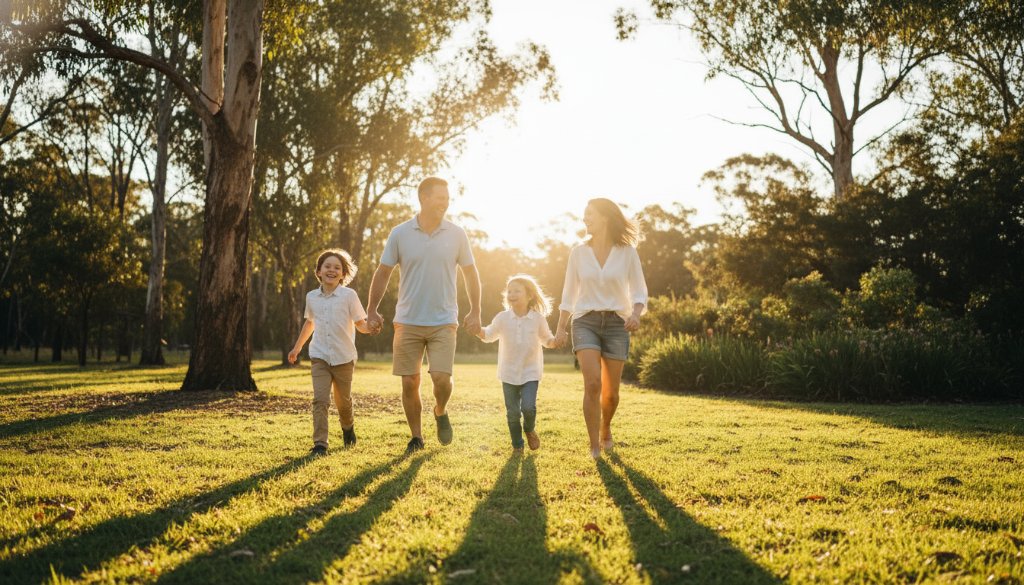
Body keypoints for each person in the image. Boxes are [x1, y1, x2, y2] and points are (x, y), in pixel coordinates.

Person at [366, 177, 482, 455]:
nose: (445, 202)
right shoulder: (400, 233)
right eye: (440, 197)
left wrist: (475, 310)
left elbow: (471, 273)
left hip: (444, 321)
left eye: (447, 197)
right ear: (424, 198)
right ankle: (416, 437)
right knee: (410, 381)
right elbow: (383, 272)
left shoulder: (457, 234)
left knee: (441, 379)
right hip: (407, 320)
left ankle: (440, 411)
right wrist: (371, 309)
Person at [554, 198, 648, 459]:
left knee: (612, 394)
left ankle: (606, 428)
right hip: (585, 321)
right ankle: (594, 444)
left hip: (618, 324)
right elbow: (569, 294)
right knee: (593, 382)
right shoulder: (578, 252)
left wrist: (636, 315)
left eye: (590, 214)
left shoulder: (627, 252)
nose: (585, 219)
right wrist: (561, 328)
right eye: (584, 214)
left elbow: (639, 290)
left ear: (605, 217)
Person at [288, 249, 371, 456]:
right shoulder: (312, 297)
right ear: (319, 271)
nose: (332, 270)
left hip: (344, 357)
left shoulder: (349, 296)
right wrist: (297, 348)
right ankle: (320, 444)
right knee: (320, 400)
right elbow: (310, 323)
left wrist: (371, 328)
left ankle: (348, 428)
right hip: (319, 356)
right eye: (327, 266)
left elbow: (360, 323)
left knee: (344, 402)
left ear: (343, 274)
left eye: (337, 268)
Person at [477, 274, 557, 453]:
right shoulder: (502, 318)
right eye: (509, 291)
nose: (511, 294)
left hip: (530, 372)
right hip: (508, 373)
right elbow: (489, 335)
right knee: (512, 413)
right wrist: (477, 330)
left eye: (517, 291)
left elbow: (547, 339)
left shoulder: (537, 319)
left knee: (528, 408)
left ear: (529, 295)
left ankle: (529, 429)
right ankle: (517, 445)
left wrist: (555, 341)